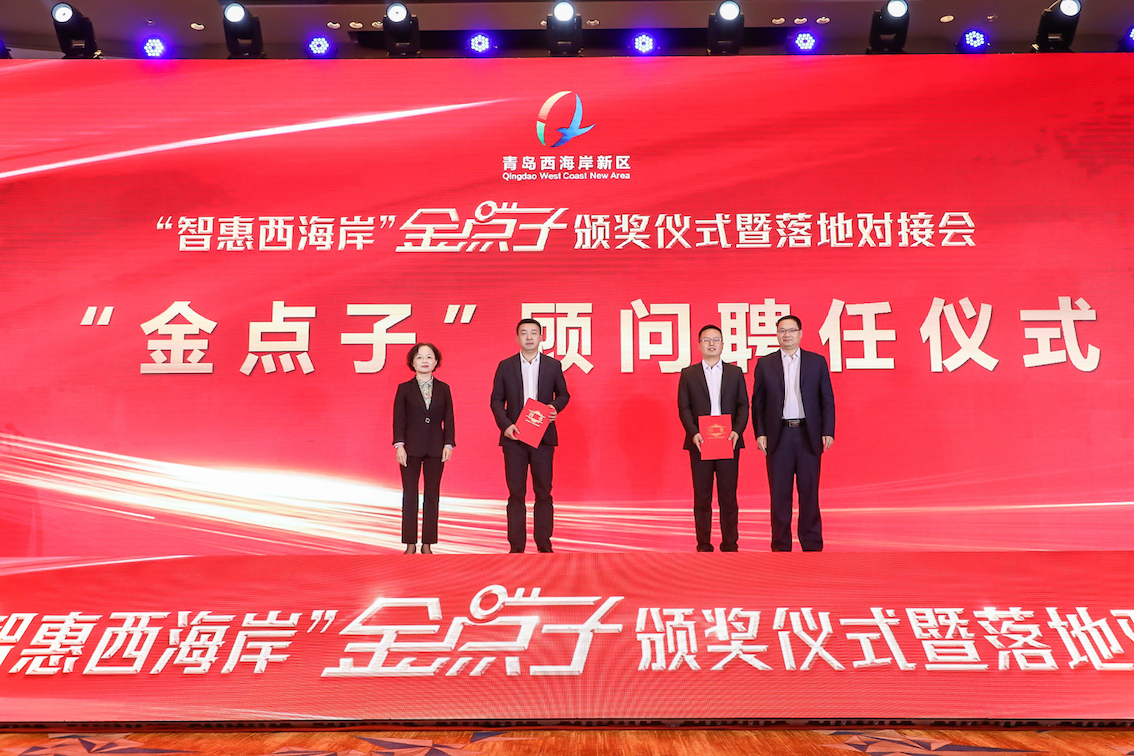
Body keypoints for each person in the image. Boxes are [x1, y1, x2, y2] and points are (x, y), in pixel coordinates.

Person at [752, 315, 835, 551]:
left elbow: (826, 399)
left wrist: (827, 430)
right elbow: (758, 403)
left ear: (800, 333)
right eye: (782, 331)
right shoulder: (765, 364)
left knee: (809, 492)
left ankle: (812, 543)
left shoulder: (816, 362)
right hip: (778, 436)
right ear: (776, 334)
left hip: (808, 434)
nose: (786, 335)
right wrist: (760, 433)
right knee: (780, 494)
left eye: (791, 330)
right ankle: (781, 545)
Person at [490, 318, 570, 553]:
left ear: (541, 337)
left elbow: (564, 394)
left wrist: (555, 407)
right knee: (516, 493)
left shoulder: (552, 365)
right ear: (517, 338)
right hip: (514, 437)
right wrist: (506, 425)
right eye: (524, 333)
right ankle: (516, 547)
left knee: (543, 491)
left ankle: (544, 545)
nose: (529, 337)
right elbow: (496, 400)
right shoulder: (506, 366)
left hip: (542, 436)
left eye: (533, 333)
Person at [678, 325, 749, 552]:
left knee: (728, 496)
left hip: (728, 441)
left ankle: (730, 544)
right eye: (706, 340)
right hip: (701, 442)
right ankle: (703, 544)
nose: (711, 344)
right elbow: (684, 407)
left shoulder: (735, 373)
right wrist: (694, 433)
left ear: (722, 344)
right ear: (699, 345)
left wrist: (737, 431)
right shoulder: (688, 374)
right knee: (702, 496)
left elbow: (743, 405)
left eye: (716, 339)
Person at [393, 342, 454, 554]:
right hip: (410, 448)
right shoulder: (404, 389)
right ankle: (410, 543)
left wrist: (448, 443)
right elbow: (398, 419)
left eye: (429, 357)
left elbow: (449, 419)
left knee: (432, 495)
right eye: (419, 357)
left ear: (436, 362)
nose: (425, 361)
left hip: (436, 448)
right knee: (410, 494)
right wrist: (399, 445)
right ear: (412, 362)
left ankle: (427, 544)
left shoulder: (444, 389)